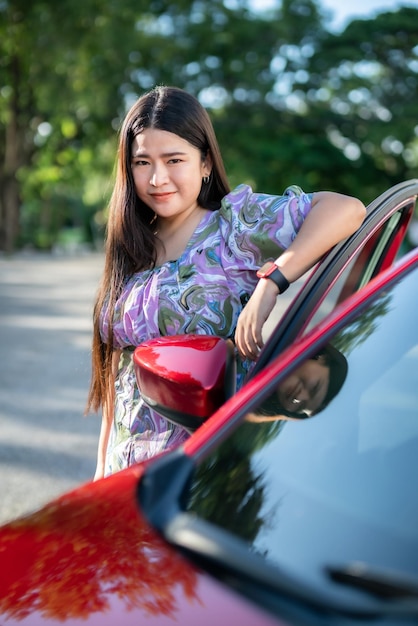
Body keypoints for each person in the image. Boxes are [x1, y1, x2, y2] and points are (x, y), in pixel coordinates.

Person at [86, 85, 366, 479]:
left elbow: (347, 210)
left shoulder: (236, 226)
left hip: (199, 471)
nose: (157, 178)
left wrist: (272, 281)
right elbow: (120, 375)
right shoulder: (132, 247)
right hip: (125, 469)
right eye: (142, 162)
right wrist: (100, 473)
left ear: (205, 164)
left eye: (174, 159)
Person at [247, 344, 348, 422]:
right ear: (323, 359)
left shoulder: (245, 394)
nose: (299, 398)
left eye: (301, 407)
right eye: (314, 388)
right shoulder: (283, 323)